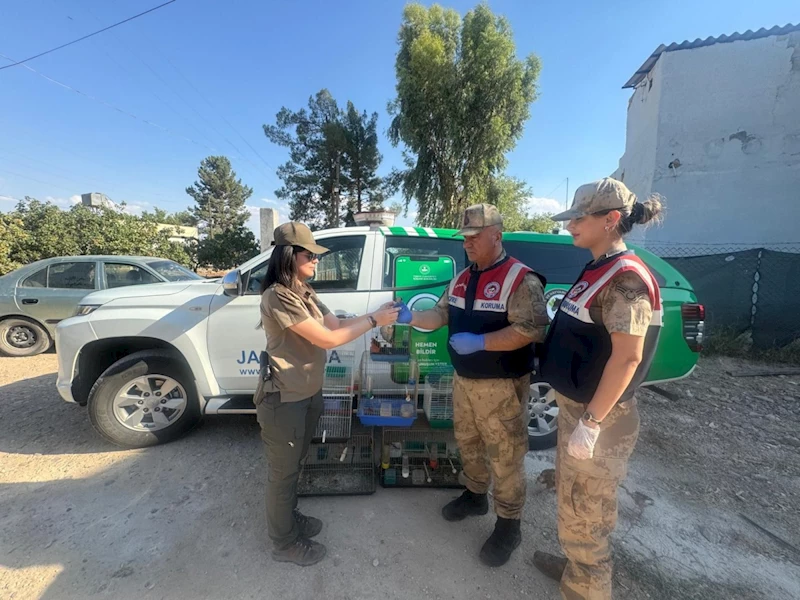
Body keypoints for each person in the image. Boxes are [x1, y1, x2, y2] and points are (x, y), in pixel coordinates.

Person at [395, 203, 549, 567]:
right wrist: (411, 316)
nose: (467, 243)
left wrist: (482, 342)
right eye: (464, 237)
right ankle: (476, 495)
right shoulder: (461, 278)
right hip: (464, 381)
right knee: (468, 442)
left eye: (474, 236)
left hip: (502, 386)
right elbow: (440, 315)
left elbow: (532, 329)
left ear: (497, 235)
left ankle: (509, 524)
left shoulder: (520, 279)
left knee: (506, 456)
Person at [532, 178, 664, 599]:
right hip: (578, 409)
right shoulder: (598, 267)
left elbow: (627, 358)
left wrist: (590, 423)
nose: (569, 225)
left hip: (601, 418)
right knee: (573, 502)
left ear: (610, 220)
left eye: (578, 218)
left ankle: (587, 585)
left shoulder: (627, 279)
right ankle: (575, 568)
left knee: (588, 513)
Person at [256, 222, 399, 567]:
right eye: (310, 255)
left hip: (306, 394)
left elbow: (335, 325)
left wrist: (377, 314)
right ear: (289, 256)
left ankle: (288, 518)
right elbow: (328, 339)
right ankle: (283, 543)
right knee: (283, 474)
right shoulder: (278, 295)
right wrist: (375, 321)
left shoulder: (304, 290)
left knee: (296, 464)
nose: (316, 260)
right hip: (284, 400)